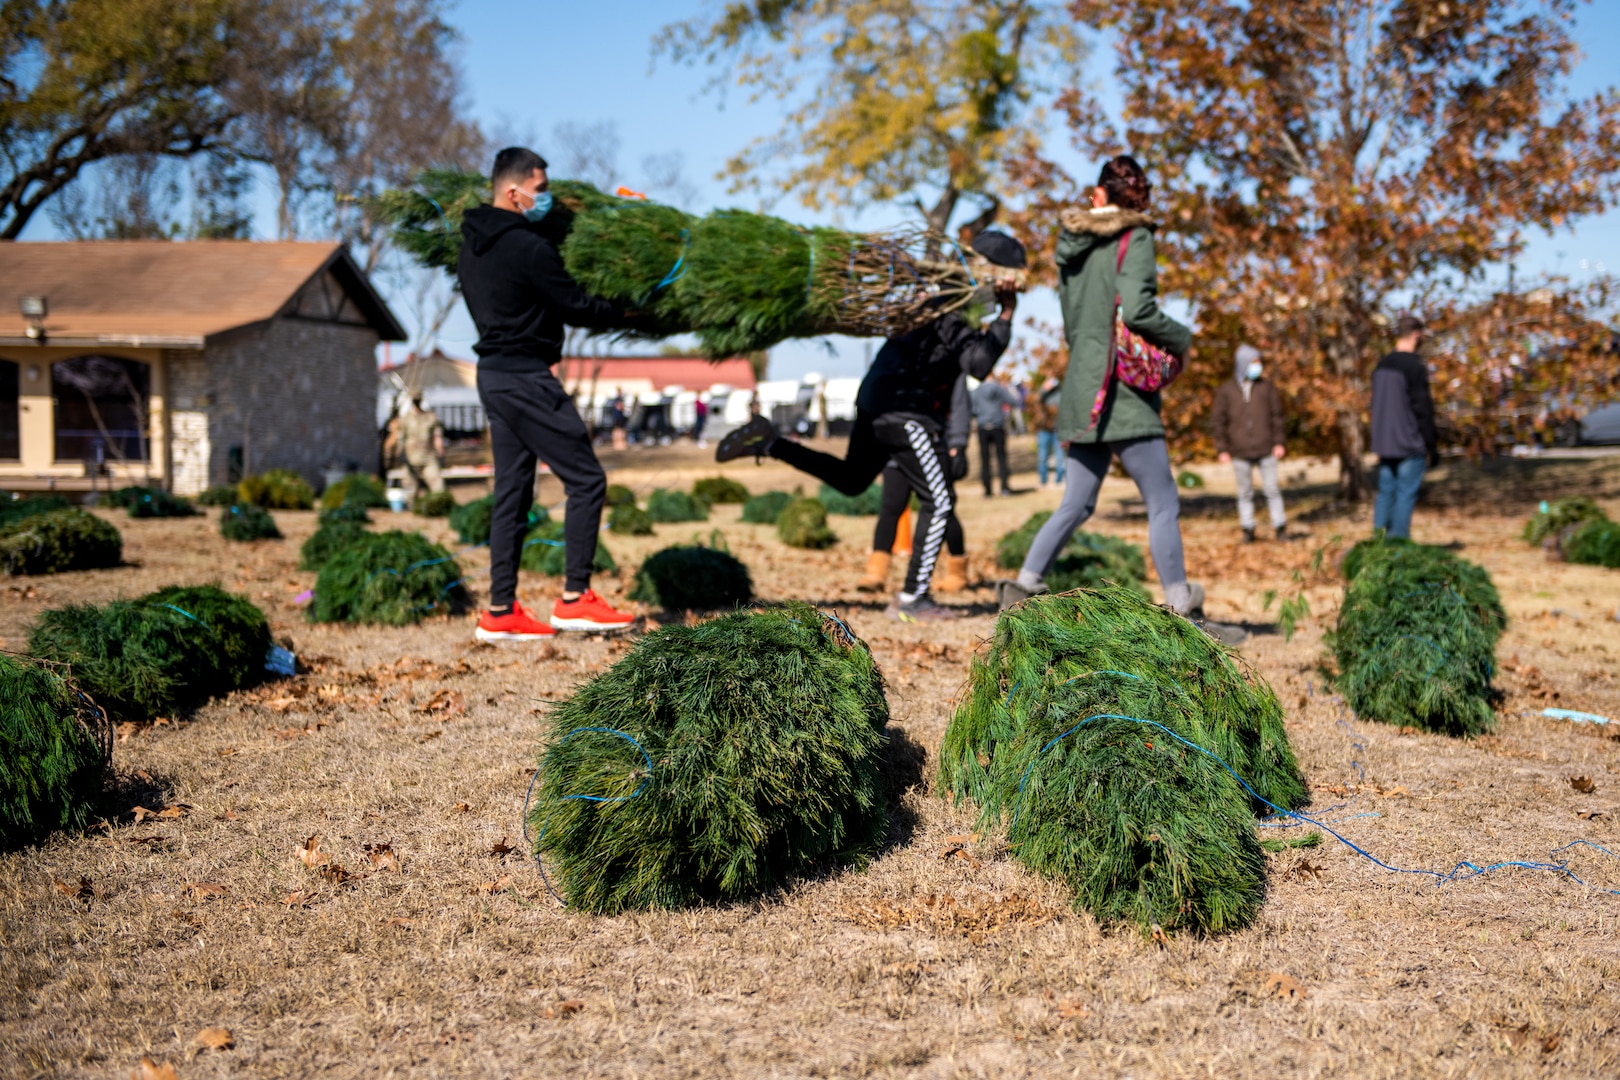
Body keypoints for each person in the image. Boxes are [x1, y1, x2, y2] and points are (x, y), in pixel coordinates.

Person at [717, 229, 1026, 622]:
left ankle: (770, 442)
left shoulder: (935, 300)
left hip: (876, 400)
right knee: (941, 500)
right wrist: (1006, 315)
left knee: (852, 479)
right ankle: (913, 599)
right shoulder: (952, 306)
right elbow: (979, 365)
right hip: (904, 412)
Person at [998, 155, 1245, 644]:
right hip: (1122, 391)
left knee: (1076, 502)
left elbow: (1074, 326)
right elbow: (1141, 311)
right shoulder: (1136, 238)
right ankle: (1182, 611)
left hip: (1081, 386)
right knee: (1162, 501)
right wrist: (1183, 338)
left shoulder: (1071, 248)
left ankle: (1020, 590)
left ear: (1099, 195)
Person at [458, 146, 639, 640]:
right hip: (526, 378)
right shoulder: (528, 246)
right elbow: (576, 305)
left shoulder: (471, 245)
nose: (546, 199)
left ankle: (500, 610)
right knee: (587, 479)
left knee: (512, 492)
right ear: (513, 192)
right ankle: (576, 598)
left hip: (492, 374)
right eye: (540, 190)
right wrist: (628, 310)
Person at [857, 374, 971, 594]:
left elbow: (959, 407)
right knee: (891, 506)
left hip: (932, 446)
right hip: (897, 450)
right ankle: (876, 573)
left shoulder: (949, 365)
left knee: (943, 507)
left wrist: (957, 443)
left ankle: (957, 572)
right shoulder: (897, 361)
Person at [1211, 344, 1288, 542]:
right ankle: (1248, 529)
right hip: (1239, 450)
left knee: (1272, 489)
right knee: (1244, 492)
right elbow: (1218, 421)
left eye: (1259, 362)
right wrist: (1222, 449)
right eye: (1254, 362)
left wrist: (1279, 442)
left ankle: (1280, 527)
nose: (1258, 366)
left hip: (1266, 448)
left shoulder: (1266, 387)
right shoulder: (1226, 391)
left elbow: (1277, 416)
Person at [1370, 314, 1436, 539]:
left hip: (1384, 442)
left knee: (1386, 493)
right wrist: (1431, 445)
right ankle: (1398, 544)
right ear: (1416, 335)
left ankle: (1378, 542)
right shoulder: (1414, 366)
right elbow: (1423, 409)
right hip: (1409, 442)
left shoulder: (1381, 364)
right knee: (1405, 495)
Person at [395, 391, 446, 505]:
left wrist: (441, 452)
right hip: (410, 458)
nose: (417, 402)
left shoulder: (430, 418)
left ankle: (438, 507)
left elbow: (437, 437)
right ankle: (411, 512)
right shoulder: (406, 418)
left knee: (438, 489)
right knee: (410, 492)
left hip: (428, 458)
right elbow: (401, 438)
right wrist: (400, 455)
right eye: (415, 400)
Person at [972, 372, 1017, 496]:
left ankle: (987, 490)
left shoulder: (976, 391)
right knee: (1001, 458)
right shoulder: (999, 389)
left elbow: (972, 409)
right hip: (998, 426)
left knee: (985, 460)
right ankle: (1004, 488)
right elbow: (1013, 401)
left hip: (983, 427)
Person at [1030, 375, 1065, 487]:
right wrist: (1044, 389)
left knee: (1060, 456)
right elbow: (1034, 402)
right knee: (1042, 456)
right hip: (1044, 429)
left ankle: (1059, 480)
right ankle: (1043, 480)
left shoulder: (1061, 392)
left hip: (1058, 428)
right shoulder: (1042, 393)